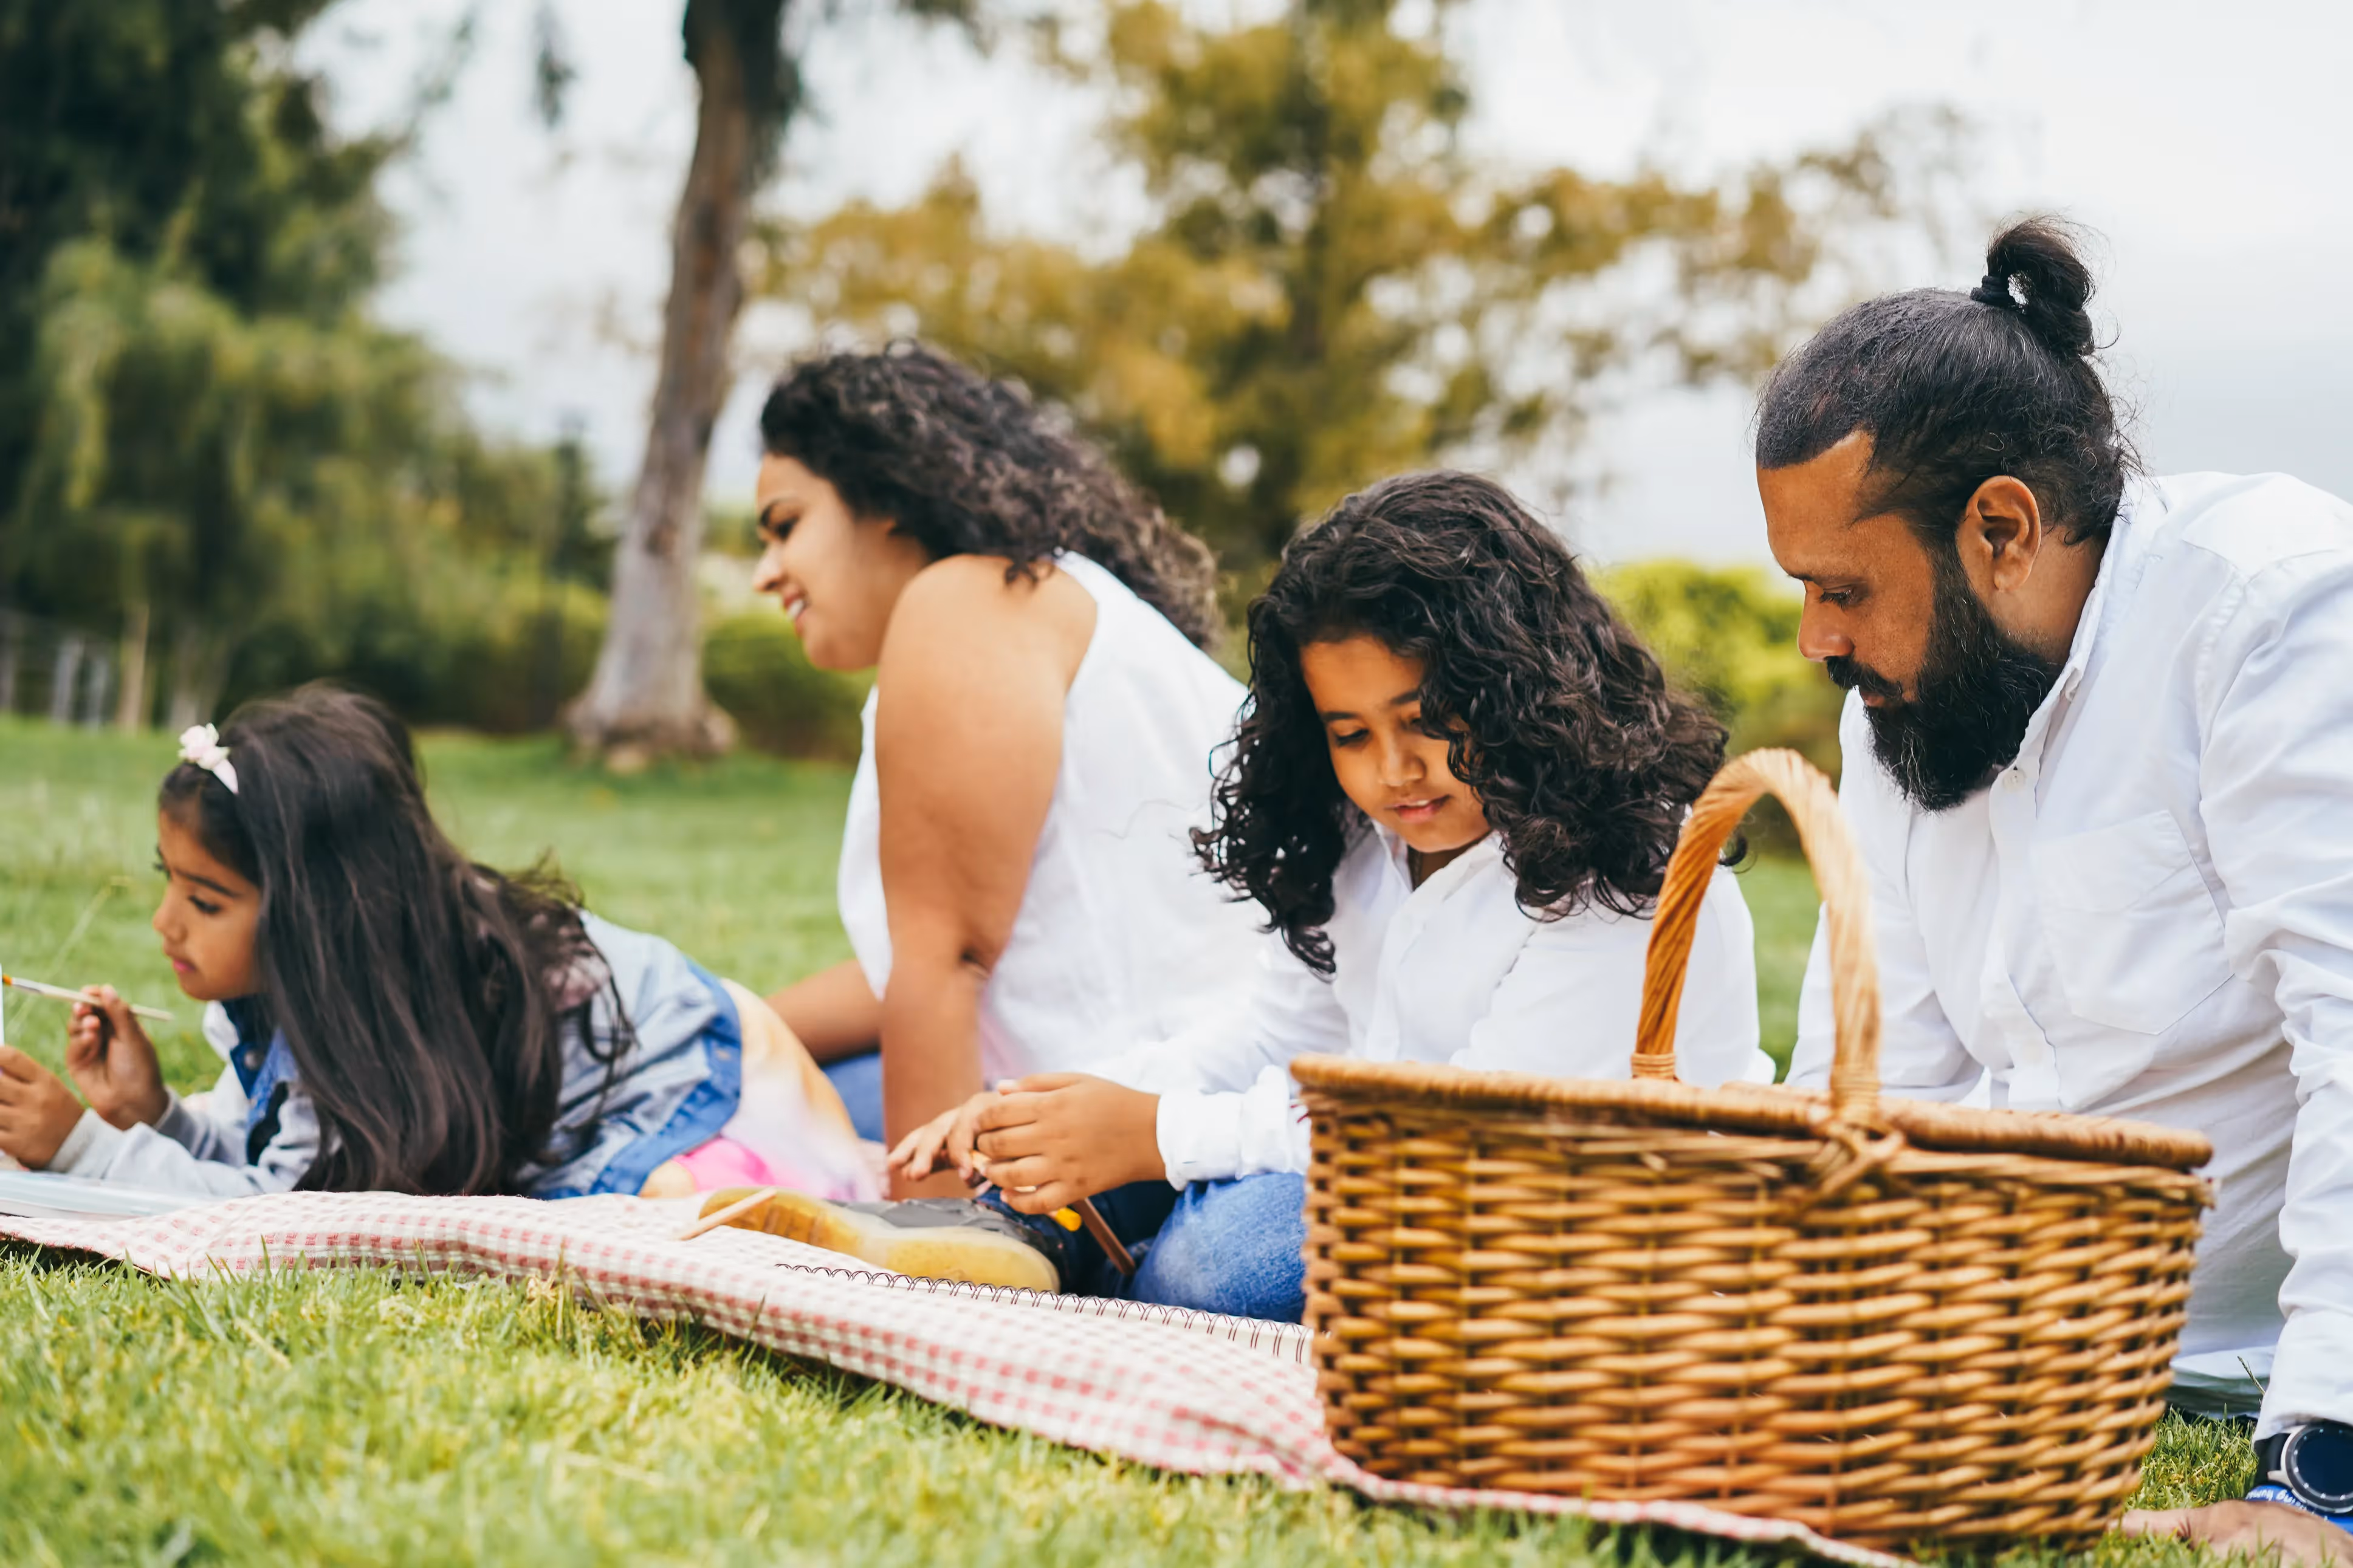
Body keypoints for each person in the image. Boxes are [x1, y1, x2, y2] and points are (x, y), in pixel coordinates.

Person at [708, 471, 1766, 1318]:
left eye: (1430, 717)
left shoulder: (1630, 872)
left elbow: (1461, 1127)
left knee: (1222, 1260)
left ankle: (1081, 1249)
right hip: (1385, 1172)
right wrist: (1069, 1104)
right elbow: (1269, 1034)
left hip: (1569, 1220)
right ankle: (1018, 1233)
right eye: (1351, 735)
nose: (1396, 769)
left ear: (1523, 684)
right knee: (1111, 1155)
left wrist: (1159, 1137)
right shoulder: (1368, 846)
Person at [1757, 217, 2353, 1549]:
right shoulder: (1895, 713)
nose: (1813, 638)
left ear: (2003, 528)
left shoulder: (2271, 610)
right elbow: (1876, 1083)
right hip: (2016, 1357)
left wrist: (2321, 1475)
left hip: (2250, 1358)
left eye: (1841, 587)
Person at [0, 688, 871, 1202]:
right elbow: (277, 1156)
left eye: (205, 899)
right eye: (169, 881)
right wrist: (156, 1116)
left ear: (317, 920)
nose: (165, 923)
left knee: (665, 1215)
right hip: (681, 1040)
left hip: (696, 1074)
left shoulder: (370, 1020)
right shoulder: (306, 991)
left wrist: (86, 1148)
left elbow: (273, 1218)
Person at [751, 344, 1262, 1176]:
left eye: (786, 525)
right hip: (1150, 1080)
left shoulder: (964, 605)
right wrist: (733, 1024)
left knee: (763, 1119)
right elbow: (933, 963)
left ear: (882, 498)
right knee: (775, 1086)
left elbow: (946, 965)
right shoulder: (1032, 599)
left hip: (1189, 1125)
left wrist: (933, 1252)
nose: (765, 573)